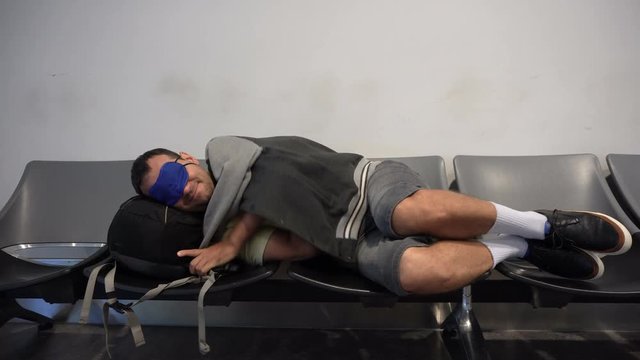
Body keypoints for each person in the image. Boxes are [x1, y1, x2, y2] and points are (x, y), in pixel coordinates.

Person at [130, 136, 631, 296]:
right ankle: (521, 247)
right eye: (169, 198)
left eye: (176, 179)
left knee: (407, 212)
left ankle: (544, 224)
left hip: (367, 184)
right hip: (349, 243)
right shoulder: (217, 232)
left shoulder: (232, 151)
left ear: (185, 158)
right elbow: (302, 247)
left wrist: (235, 240)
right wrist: (235, 241)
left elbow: (270, 177)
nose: (185, 194)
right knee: (415, 272)